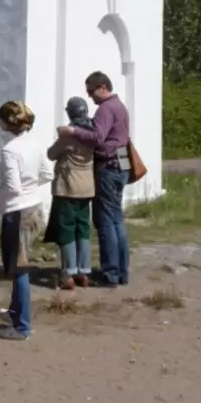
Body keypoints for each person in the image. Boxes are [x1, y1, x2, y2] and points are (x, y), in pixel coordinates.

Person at [58, 71, 131, 288]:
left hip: (108, 167)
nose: (90, 97)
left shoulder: (106, 109)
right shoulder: (120, 106)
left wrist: (72, 131)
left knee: (106, 221)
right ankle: (121, 272)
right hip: (122, 163)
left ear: (102, 87)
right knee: (117, 220)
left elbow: (97, 137)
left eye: (91, 91)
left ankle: (110, 273)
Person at [0, 100, 53, 340]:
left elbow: (13, 186)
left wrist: (8, 196)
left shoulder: (10, 150)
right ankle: (16, 312)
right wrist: (32, 187)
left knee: (19, 269)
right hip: (35, 208)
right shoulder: (35, 144)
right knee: (20, 265)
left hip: (17, 212)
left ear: (7, 122)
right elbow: (47, 174)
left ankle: (22, 326)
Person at [45, 97, 95, 289]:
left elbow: (51, 154)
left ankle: (68, 273)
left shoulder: (68, 136)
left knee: (66, 230)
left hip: (68, 188)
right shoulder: (93, 133)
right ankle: (84, 271)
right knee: (83, 229)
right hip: (87, 187)